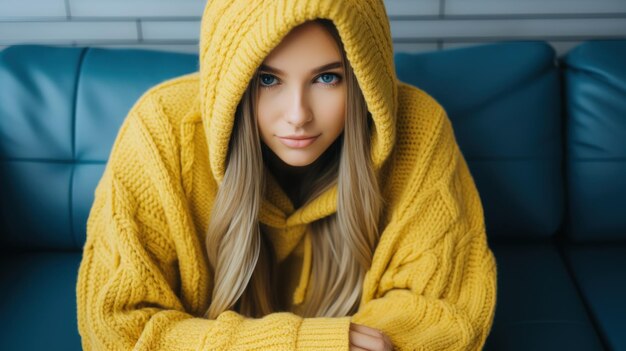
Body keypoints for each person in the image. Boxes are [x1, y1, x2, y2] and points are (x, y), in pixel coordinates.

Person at [76, 1, 497, 350]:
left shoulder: (418, 130)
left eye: (328, 78)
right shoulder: (160, 130)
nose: (298, 115)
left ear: (363, 79)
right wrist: (306, 344)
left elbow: (443, 307)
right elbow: (116, 327)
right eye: (267, 79)